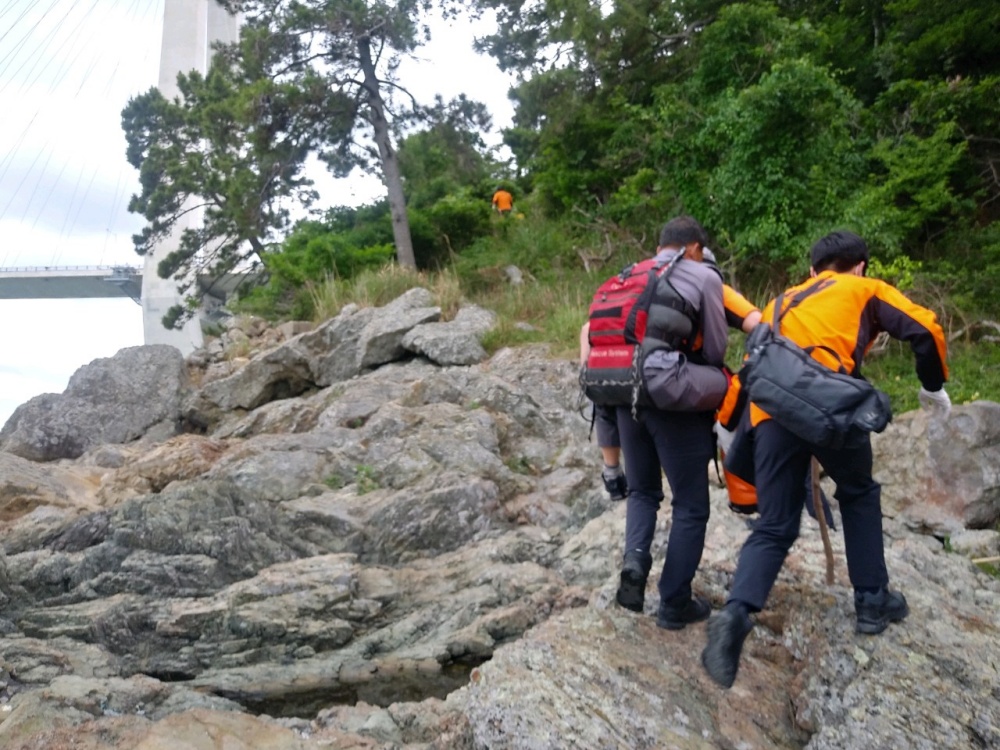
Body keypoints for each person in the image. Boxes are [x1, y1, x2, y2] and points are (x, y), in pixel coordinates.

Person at [701, 230, 950, 689]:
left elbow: (755, 359)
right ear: (860, 266)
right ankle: (872, 600)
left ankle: (736, 615)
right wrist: (933, 385)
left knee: (776, 523)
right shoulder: (864, 288)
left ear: (813, 271)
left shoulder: (780, 301)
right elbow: (925, 330)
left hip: (771, 412)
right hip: (830, 405)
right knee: (858, 492)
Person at [612, 215, 728, 630]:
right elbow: (715, 348)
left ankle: (635, 566)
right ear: (694, 247)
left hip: (625, 396)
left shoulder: (630, 275)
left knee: (642, 491)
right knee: (691, 506)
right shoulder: (700, 274)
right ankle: (674, 602)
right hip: (671, 403)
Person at [579, 248, 762, 502]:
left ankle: (611, 471)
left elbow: (589, 335)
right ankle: (745, 492)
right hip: (671, 389)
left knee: (642, 494)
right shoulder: (710, 283)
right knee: (733, 390)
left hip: (625, 385)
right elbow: (755, 324)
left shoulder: (643, 288)